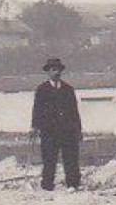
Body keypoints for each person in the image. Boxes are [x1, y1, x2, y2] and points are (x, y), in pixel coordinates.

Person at [30, 57, 82, 191]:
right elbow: (37, 110)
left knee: (70, 158)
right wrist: (35, 127)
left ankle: (73, 184)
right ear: (48, 72)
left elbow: (74, 111)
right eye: (53, 70)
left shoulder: (68, 89)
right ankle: (47, 185)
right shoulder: (42, 90)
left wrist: (78, 130)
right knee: (49, 158)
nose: (56, 72)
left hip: (67, 131)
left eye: (58, 70)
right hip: (49, 131)